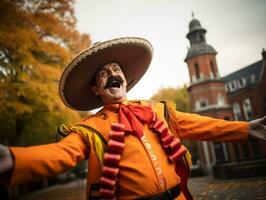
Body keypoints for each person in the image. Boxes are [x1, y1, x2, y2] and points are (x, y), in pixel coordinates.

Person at [0, 37, 265, 200]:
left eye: (116, 69)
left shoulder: (158, 110)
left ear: (125, 79)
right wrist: (14, 159)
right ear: (96, 89)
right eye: (103, 73)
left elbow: (201, 124)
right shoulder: (89, 129)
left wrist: (244, 128)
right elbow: (60, 154)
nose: (113, 74)